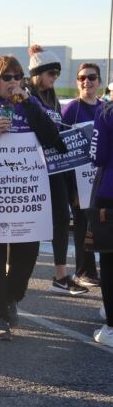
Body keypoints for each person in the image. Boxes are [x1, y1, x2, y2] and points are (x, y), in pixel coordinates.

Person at [0, 55, 66, 340]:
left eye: (17, 76)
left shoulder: (31, 105)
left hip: (26, 190)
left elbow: (52, 139)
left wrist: (30, 104)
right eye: (6, 77)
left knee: (27, 253)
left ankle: (11, 296)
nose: (12, 82)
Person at [26, 45, 88, 296]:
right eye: (51, 73)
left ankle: (61, 275)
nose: (54, 79)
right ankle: (11, 269)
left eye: (56, 75)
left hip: (54, 166)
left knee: (62, 218)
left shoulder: (52, 97)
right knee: (27, 220)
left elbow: (58, 126)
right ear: (38, 73)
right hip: (29, 166)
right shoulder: (26, 95)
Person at [62, 62, 103, 288]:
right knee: (82, 226)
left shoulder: (105, 108)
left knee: (100, 225)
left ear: (99, 81)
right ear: (77, 82)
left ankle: (95, 270)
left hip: (101, 178)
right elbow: (61, 148)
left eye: (91, 77)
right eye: (82, 78)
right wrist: (72, 188)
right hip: (78, 180)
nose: (86, 81)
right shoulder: (71, 109)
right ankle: (83, 270)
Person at [90, 101, 113, 347]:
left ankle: (111, 327)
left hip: (110, 190)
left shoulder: (106, 112)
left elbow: (98, 156)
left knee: (109, 261)